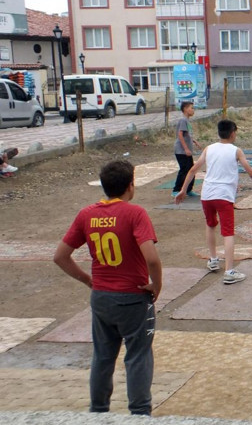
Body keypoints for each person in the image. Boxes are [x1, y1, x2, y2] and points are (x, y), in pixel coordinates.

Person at [53, 160, 162, 416]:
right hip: (133, 297)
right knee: (138, 355)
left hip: (101, 297)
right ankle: (139, 413)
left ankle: (98, 411)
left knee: (102, 356)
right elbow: (152, 258)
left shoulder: (86, 214)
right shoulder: (135, 214)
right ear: (130, 186)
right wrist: (156, 285)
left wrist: (87, 280)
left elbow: (60, 256)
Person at [175, 120, 252, 284]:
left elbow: (193, 169)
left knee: (210, 225)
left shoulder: (209, 149)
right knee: (227, 232)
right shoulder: (236, 151)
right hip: (224, 195)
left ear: (219, 133)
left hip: (207, 195)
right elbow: (251, 173)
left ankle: (213, 260)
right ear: (233, 133)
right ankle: (229, 271)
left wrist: (183, 189)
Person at [171, 101, 202, 197]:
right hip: (181, 151)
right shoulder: (183, 120)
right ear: (185, 109)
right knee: (184, 170)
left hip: (185, 150)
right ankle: (176, 190)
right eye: (191, 108)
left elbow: (187, 134)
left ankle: (188, 190)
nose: (193, 110)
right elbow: (180, 135)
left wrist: (194, 141)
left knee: (191, 169)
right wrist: (186, 149)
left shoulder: (187, 121)